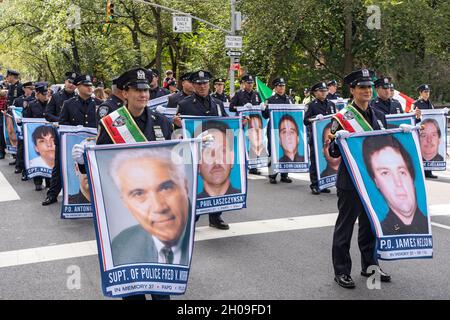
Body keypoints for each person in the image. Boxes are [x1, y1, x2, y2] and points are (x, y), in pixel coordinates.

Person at [73, 67, 173, 301]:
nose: (143, 94)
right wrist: (84, 161)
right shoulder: (112, 124)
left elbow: (173, 161)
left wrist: (195, 150)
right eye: (137, 90)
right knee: (132, 278)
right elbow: (101, 165)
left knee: (161, 281)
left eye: (146, 89)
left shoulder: (162, 122)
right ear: (124, 93)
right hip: (126, 210)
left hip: (158, 211)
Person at [329, 69, 391, 289]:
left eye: (369, 87)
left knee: (371, 225)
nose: (367, 91)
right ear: (352, 90)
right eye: (362, 87)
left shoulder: (379, 116)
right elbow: (333, 151)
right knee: (345, 226)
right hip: (351, 181)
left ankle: (370, 265)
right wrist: (337, 141)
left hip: (373, 181)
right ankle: (342, 271)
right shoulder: (342, 118)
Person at [109, 148, 191, 266]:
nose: (158, 207)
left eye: (166, 188)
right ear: (125, 203)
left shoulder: (202, 242)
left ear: (185, 186)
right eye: (139, 194)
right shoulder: (122, 244)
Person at [173, 70, 230, 230]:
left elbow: (227, 124)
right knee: (194, 184)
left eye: (205, 83)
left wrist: (240, 124)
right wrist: (177, 124)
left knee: (216, 184)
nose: (202, 86)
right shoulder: (184, 104)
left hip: (215, 153)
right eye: (198, 83)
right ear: (193, 85)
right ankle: (192, 218)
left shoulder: (218, 104)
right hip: (195, 153)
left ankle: (215, 217)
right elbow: (177, 131)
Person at [42, 74, 101, 206]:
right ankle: (52, 195)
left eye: (90, 85)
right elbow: (63, 123)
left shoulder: (98, 103)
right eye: (86, 85)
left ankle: (96, 199)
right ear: (78, 87)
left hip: (92, 143)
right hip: (71, 143)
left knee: (93, 169)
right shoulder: (68, 104)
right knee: (60, 166)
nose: (89, 88)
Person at [362, 135, 429, 235]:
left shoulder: (426, 225)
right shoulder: (378, 232)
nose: (398, 183)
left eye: (402, 172)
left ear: (411, 175)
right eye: (385, 173)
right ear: (376, 182)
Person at [304, 82, 336, 194]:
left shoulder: (331, 104)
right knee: (315, 159)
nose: (324, 93)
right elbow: (305, 121)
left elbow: (335, 120)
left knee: (325, 159)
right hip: (316, 137)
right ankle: (314, 184)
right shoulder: (311, 105)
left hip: (329, 137)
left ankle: (324, 183)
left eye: (325, 91)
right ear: (315, 93)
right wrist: (314, 118)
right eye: (321, 91)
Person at [197, 120, 240, 198]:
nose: (216, 161)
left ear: (232, 158)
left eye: (222, 151)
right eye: (208, 152)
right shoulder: (189, 204)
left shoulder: (239, 194)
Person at [263, 77, 293, 184]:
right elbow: (265, 116)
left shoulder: (289, 99)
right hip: (274, 129)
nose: (282, 88)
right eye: (280, 86)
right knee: (273, 151)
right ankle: (272, 174)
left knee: (285, 150)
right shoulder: (270, 100)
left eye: (283, 86)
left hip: (287, 129)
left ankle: (284, 175)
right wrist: (264, 108)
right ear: (275, 87)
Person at [229, 74, 261, 175]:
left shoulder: (256, 94)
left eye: (251, 83)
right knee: (242, 144)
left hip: (254, 123)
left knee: (254, 144)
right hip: (242, 123)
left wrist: (262, 106)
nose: (250, 85)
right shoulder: (239, 94)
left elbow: (260, 105)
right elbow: (231, 107)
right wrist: (242, 107)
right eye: (248, 83)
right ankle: (242, 165)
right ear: (243, 84)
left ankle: (253, 167)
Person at [412, 84, 437, 179]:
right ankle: (422, 171)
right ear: (420, 93)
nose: (427, 94)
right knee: (421, 151)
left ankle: (429, 171)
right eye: (425, 92)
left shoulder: (430, 104)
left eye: (428, 92)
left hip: (430, 131)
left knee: (429, 150)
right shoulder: (416, 104)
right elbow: (413, 117)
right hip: (420, 130)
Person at [12, 81, 35, 176]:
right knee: (21, 146)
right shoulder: (18, 100)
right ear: (24, 89)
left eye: (32, 88)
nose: (31, 90)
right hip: (21, 127)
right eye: (29, 88)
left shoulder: (34, 99)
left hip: (33, 127)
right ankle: (19, 166)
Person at [29, 125, 55, 191]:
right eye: (42, 141)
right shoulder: (32, 163)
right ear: (36, 147)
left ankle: (50, 183)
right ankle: (38, 181)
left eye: (53, 140)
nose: (49, 144)